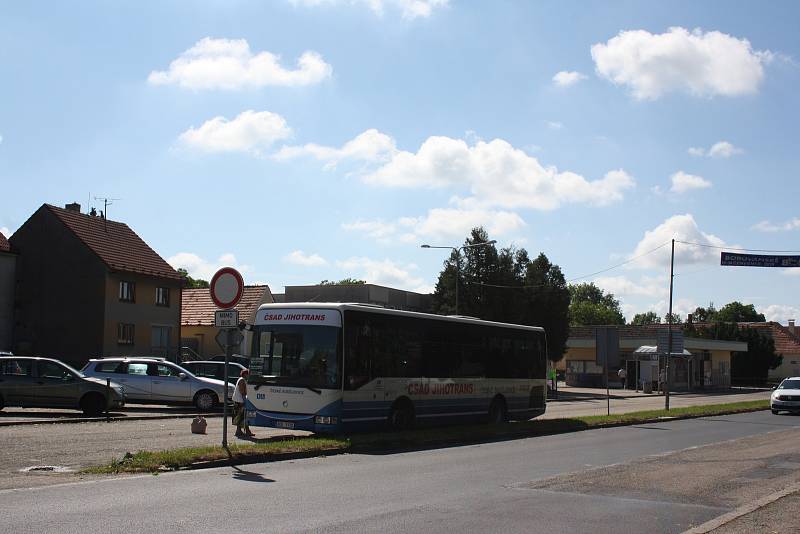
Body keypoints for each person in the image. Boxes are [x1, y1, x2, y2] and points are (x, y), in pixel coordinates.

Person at [232, 369, 254, 438]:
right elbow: (242, 392)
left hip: (239, 400)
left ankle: (241, 431)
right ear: (245, 374)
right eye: (248, 374)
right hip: (239, 401)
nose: (249, 376)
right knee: (242, 416)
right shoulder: (242, 380)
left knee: (242, 416)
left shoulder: (242, 380)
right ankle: (245, 431)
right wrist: (245, 401)